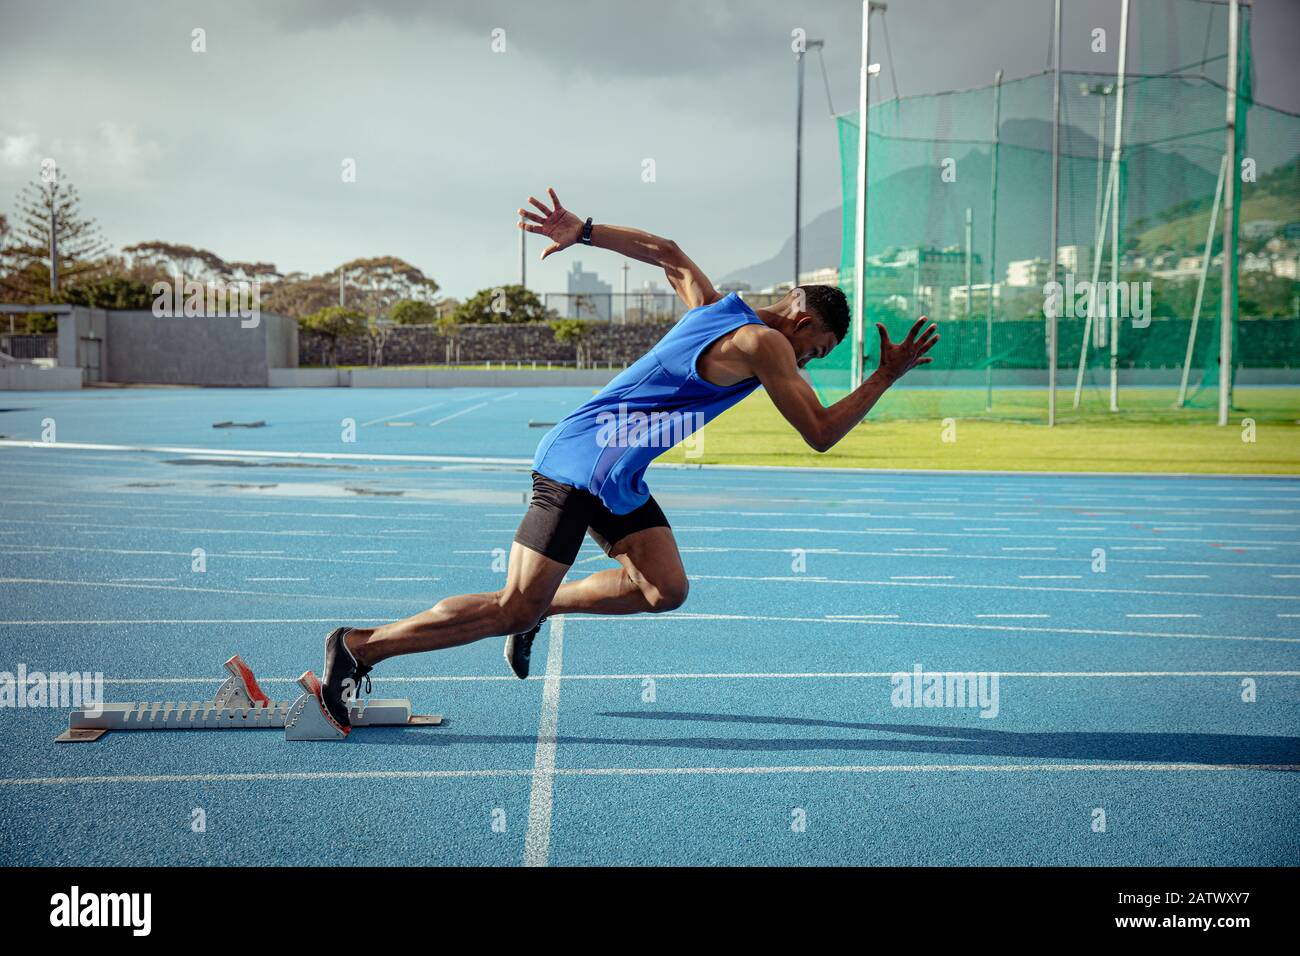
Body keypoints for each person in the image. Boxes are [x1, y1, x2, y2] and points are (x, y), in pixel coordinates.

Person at [316, 187, 937, 732]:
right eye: (818, 351)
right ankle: (359, 648)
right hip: (579, 463)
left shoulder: (716, 309)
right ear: (801, 323)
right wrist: (884, 377)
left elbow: (668, 252)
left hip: (618, 477)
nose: (809, 365)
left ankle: (545, 608)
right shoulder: (763, 342)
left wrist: (583, 231)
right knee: (511, 606)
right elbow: (821, 432)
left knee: (663, 589)